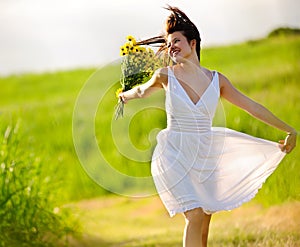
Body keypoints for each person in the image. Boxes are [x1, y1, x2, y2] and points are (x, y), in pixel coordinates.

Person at [119, 6, 297, 247]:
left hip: (205, 156)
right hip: (174, 154)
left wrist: (289, 129)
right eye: (169, 43)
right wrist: (124, 95)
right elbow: (141, 91)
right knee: (193, 215)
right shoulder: (165, 76)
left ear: (193, 43)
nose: (171, 47)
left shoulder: (218, 81)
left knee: (203, 226)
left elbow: (252, 106)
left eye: (176, 41)